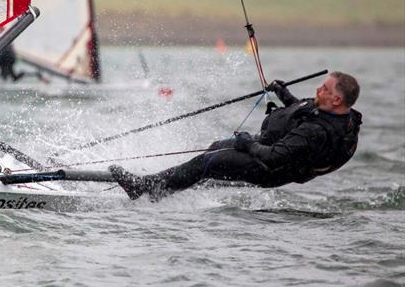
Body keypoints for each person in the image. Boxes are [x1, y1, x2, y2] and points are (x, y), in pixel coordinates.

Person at [109, 71, 362, 200]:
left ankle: (144, 188)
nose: (319, 88)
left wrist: (248, 143)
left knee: (211, 161)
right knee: (217, 147)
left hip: (269, 168)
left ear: (337, 99)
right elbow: (300, 114)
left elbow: (275, 157)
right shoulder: (334, 112)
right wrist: (283, 94)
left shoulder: (316, 132)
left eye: (324, 88)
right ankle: (172, 184)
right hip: (267, 148)